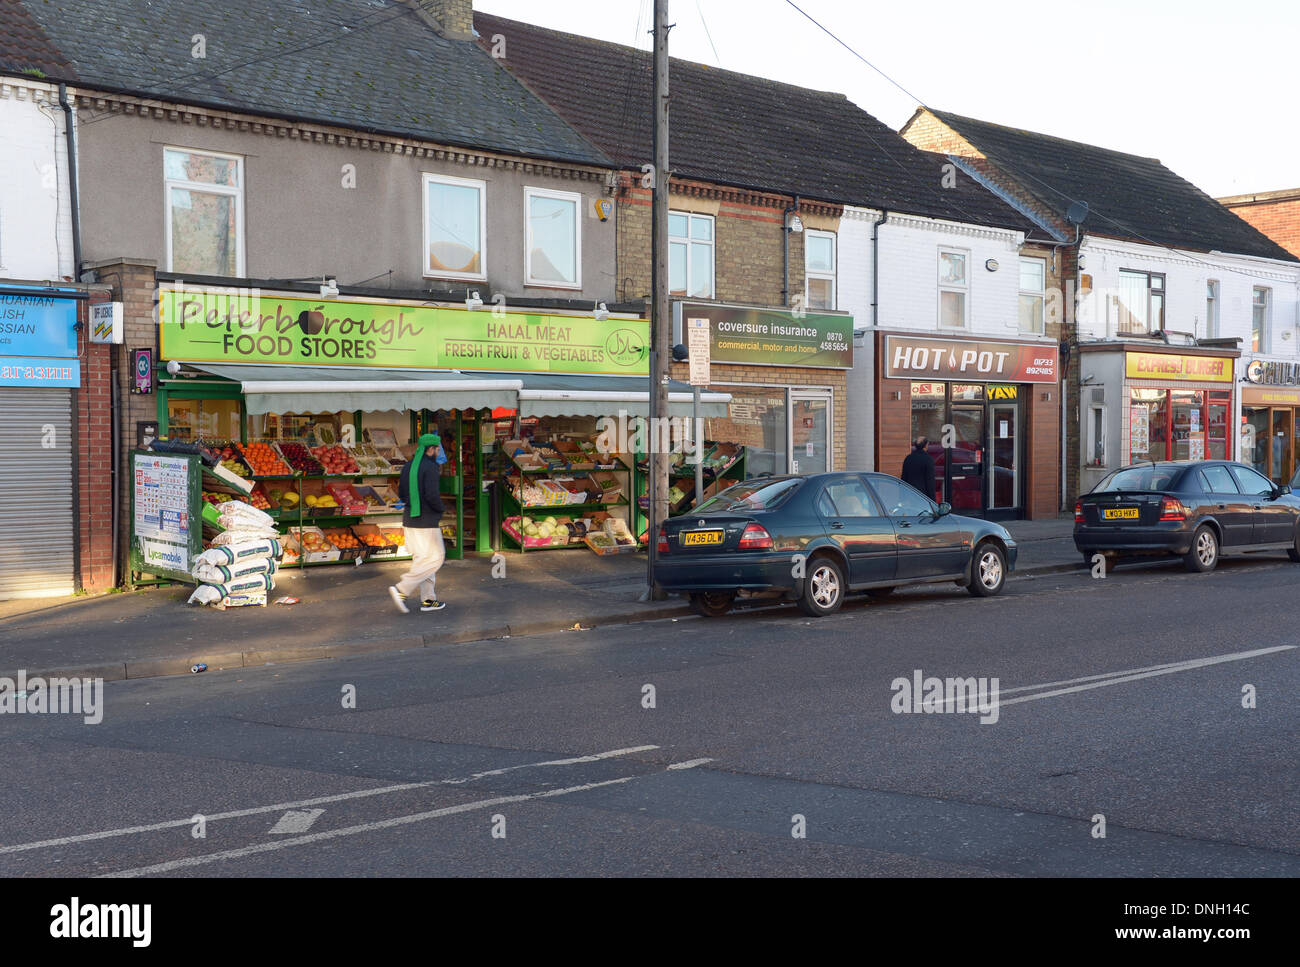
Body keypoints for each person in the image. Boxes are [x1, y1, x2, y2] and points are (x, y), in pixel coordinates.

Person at [388, 432, 447, 613]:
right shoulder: (430, 468)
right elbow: (432, 495)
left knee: (423, 559)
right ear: (431, 449)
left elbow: (402, 493)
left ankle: (428, 599)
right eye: (437, 448)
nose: (438, 452)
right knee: (436, 557)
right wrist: (441, 509)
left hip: (410, 519)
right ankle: (402, 589)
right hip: (426, 521)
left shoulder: (408, 466)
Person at [901, 435, 937, 502]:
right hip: (923, 497)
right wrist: (933, 501)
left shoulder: (908, 458)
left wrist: (902, 497)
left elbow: (903, 478)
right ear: (926, 445)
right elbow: (930, 482)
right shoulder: (928, 459)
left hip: (909, 495)